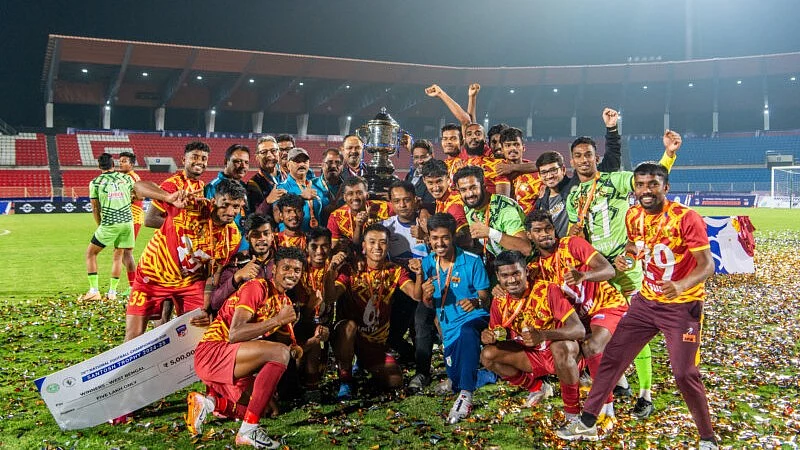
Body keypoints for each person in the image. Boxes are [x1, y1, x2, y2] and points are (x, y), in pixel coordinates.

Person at [557, 163, 717, 450]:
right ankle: (588, 419)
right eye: (641, 184)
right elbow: (635, 247)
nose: (646, 190)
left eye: (653, 184)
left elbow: (707, 266)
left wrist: (681, 285)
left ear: (665, 188)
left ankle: (707, 437)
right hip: (646, 301)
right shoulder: (633, 215)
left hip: (681, 306)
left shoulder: (686, 218)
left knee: (684, 373)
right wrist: (627, 259)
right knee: (613, 357)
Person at [566, 120, 681, 409]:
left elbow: (648, 182)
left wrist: (668, 154)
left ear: (596, 157)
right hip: (600, 273)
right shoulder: (573, 196)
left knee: (635, 330)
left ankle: (646, 395)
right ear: (572, 160)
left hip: (626, 265)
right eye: (578, 156)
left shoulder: (613, 180)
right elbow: (573, 235)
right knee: (600, 330)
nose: (583, 160)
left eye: (588, 155)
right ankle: (622, 384)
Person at [187, 247, 306, 449]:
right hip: (214, 353)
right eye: (286, 268)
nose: (292, 274)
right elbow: (236, 333)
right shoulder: (257, 287)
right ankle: (248, 431)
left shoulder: (284, 301)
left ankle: (209, 404)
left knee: (266, 408)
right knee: (279, 352)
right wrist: (278, 320)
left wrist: (298, 349)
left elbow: (289, 350)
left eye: (297, 270)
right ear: (274, 269)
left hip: (237, 362)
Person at [524, 210, 629, 420]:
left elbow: (608, 270)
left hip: (605, 305)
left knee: (591, 346)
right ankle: (573, 407)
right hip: (580, 319)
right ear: (529, 235)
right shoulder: (535, 268)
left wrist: (585, 275)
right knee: (562, 349)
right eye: (538, 231)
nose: (545, 234)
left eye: (548, 228)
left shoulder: (572, 244)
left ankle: (605, 405)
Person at [125, 178, 245, 342]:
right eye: (225, 205)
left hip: (190, 283)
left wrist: (206, 308)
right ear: (213, 201)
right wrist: (168, 198)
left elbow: (212, 275)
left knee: (198, 336)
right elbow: (138, 187)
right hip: (152, 275)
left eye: (236, 206)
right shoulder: (190, 206)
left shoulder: (232, 236)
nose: (231, 212)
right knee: (133, 337)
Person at [481, 250, 585, 419]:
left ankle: (572, 413)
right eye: (505, 275)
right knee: (488, 355)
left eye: (516, 273)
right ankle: (538, 387)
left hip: (558, 353)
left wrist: (543, 335)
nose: (512, 280)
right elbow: (499, 333)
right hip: (531, 356)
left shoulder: (547, 290)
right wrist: (488, 336)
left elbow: (578, 330)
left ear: (526, 271)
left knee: (563, 346)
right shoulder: (499, 300)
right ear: (498, 277)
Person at [326, 223, 423, 399]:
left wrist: (419, 274)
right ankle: (346, 378)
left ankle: (364, 364)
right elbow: (330, 297)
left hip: (376, 341)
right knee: (348, 327)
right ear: (363, 246)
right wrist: (331, 270)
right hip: (350, 336)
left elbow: (416, 296)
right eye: (371, 242)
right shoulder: (352, 269)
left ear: (388, 245)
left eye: (382, 242)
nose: (377, 247)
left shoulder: (395, 270)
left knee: (395, 381)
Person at [419, 213, 490, 423]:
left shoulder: (472, 261)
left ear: (452, 237)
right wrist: (426, 295)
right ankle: (489, 375)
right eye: (435, 238)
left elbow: (485, 297)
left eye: (445, 237)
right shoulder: (427, 263)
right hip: (447, 326)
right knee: (456, 379)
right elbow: (427, 303)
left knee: (468, 332)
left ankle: (466, 397)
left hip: (473, 318)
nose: (440, 243)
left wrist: (475, 302)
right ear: (429, 239)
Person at [294, 227, 345, 401]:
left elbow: (331, 297)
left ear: (331, 246)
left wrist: (331, 271)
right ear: (306, 246)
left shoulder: (336, 266)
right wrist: (309, 310)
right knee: (312, 344)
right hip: (302, 325)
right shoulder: (298, 269)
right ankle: (310, 387)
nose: (319, 251)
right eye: (314, 246)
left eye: (324, 246)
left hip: (329, 324)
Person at [383, 180, 429, 367]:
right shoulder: (386, 226)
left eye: (407, 200)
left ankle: (422, 369)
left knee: (421, 323)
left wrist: (425, 236)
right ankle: (408, 353)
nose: (402, 205)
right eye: (397, 201)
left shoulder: (427, 222)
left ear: (416, 201)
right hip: (400, 285)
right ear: (391, 203)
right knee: (390, 332)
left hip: (426, 282)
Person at [80, 153, 136, 301]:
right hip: (128, 223)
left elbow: (95, 207)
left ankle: (94, 291)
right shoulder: (126, 178)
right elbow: (135, 195)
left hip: (111, 223)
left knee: (91, 254)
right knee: (118, 256)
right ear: (113, 165)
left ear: (99, 166)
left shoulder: (96, 182)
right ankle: (112, 293)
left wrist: (100, 225)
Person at [453, 165, 531, 260]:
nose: (469, 194)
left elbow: (526, 249)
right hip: (503, 267)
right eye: (463, 190)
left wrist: (489, 232)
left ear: (483, 186)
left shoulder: (505, 208)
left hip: (529, 268)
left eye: (473, 188)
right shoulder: (468, 209)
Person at [210, 214, 276, 313]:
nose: (261, 238)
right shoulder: (237, 263)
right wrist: (237, 276)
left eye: (266, 234)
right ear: (246, 237)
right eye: (255, 234)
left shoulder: (281, 261)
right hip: (246, 323)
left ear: (272, 236)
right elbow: (215, 303)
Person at [418, 158, 474, 251]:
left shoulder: (455, 204)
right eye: (430, 183)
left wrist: (428, 233)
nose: (436, 188)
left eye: (439, 181)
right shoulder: (442, 200)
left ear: (448, 178)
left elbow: (466, 241)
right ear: (424, 181)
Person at [205, 144, 251, 250]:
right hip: (222, 250)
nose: (243, 166)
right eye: (237, 161)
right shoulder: (213, 187)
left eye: (246, 162)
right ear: (226, 162)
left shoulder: (244, 186)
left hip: (242, 249)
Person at [327, 176, 391, 248]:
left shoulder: (385, 207)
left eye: (359, 193)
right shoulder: (336, 216)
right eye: (350, 194)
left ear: (367, 195)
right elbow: (333, 247)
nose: (355, 198)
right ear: (344, 197)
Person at [276, 148, 322, 232]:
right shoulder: (281, 188)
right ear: (288, 165)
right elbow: (277, 217)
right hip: (291, 240)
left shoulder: (315, 185)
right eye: (297, 161)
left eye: (305, 161)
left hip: (313, 239)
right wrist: (301, 197)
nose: (301, 164)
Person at [499, 127, 541, 215]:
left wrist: (512, 167)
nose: (513, 148)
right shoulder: (496, 170)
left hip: (531, 224)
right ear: (502, 150)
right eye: (508, 145)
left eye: (516, 144)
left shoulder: (536, 173)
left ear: (523, 147)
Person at [247, 136, 287, 215]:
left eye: (273, 151)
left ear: (279, 154)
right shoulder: (253, 184)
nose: (269, 155)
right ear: (257, 157)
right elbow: (253, 217)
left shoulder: (287, 176)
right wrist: (268, 201)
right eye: (264, 152)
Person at [312, 148, 345, 227]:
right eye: (329, 162)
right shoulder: (311, 185)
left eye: (338, 163)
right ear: (322, 165)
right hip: (319, 234)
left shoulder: (348, 188)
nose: (333, 166)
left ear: (342, 167)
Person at [405, 139, 435, 209]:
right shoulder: (410, 175)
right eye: (416, 157)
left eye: (423, 157)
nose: (420, 161)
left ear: (431, 156)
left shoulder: (435, 176)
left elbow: (431, 204)